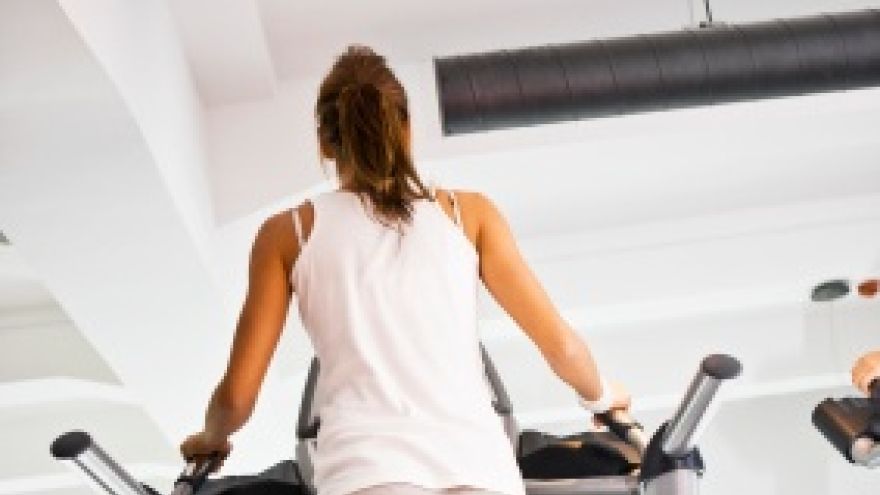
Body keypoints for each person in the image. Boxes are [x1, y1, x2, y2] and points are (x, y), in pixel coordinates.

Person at [180, 45, 630, 495]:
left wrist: (211, 438)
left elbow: (237, 397)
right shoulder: (469, 215)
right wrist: (603, 397)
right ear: (407, 130)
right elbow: (562, 347)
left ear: (324, 142)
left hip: (364, 477)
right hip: (479, 471)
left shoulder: (288, 234)